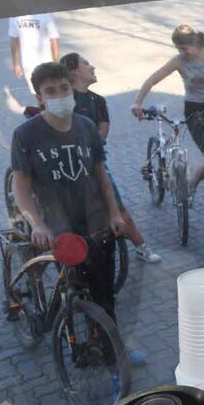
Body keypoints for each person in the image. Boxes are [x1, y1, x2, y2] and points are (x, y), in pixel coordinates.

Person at [11, 62, 123, 320]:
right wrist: (38, 225)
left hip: (96, 222)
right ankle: (73, 333)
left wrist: (115, 213)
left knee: (105, 294)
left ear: (72, 88)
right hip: (60, 227)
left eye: (64, 88)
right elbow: (21, 189)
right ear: (39, 98)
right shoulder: (26, 135)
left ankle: (108, 338)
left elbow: (101, 175)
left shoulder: (87, 126)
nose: (60, 95)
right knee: (75, 289)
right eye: (50, 91)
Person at [60, 52, 162, 264]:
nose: (92, 67)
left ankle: (141, 247)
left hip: (93, 162)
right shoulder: (64, 100)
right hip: (67, 165)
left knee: (117, 206)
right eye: (86, 63)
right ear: (74, 71)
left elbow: (103, 130)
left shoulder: (97, 101)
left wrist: (89, 146)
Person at [131, 25, 204, 218]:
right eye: (179, 49)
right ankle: (190, 184)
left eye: (185, 48)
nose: (183, 52)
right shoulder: (179, 61)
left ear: (194, 43)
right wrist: (137, 102)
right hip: (195, 112)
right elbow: (152, 79)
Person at [9, 14, 60, 94]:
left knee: (50, 92)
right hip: (28, 64)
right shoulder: (14, 17)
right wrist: (16, 64)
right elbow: (14, 40)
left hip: (46, 63)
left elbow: (54, 40)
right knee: (38, 93)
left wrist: (56, 64)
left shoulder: (45, 15)